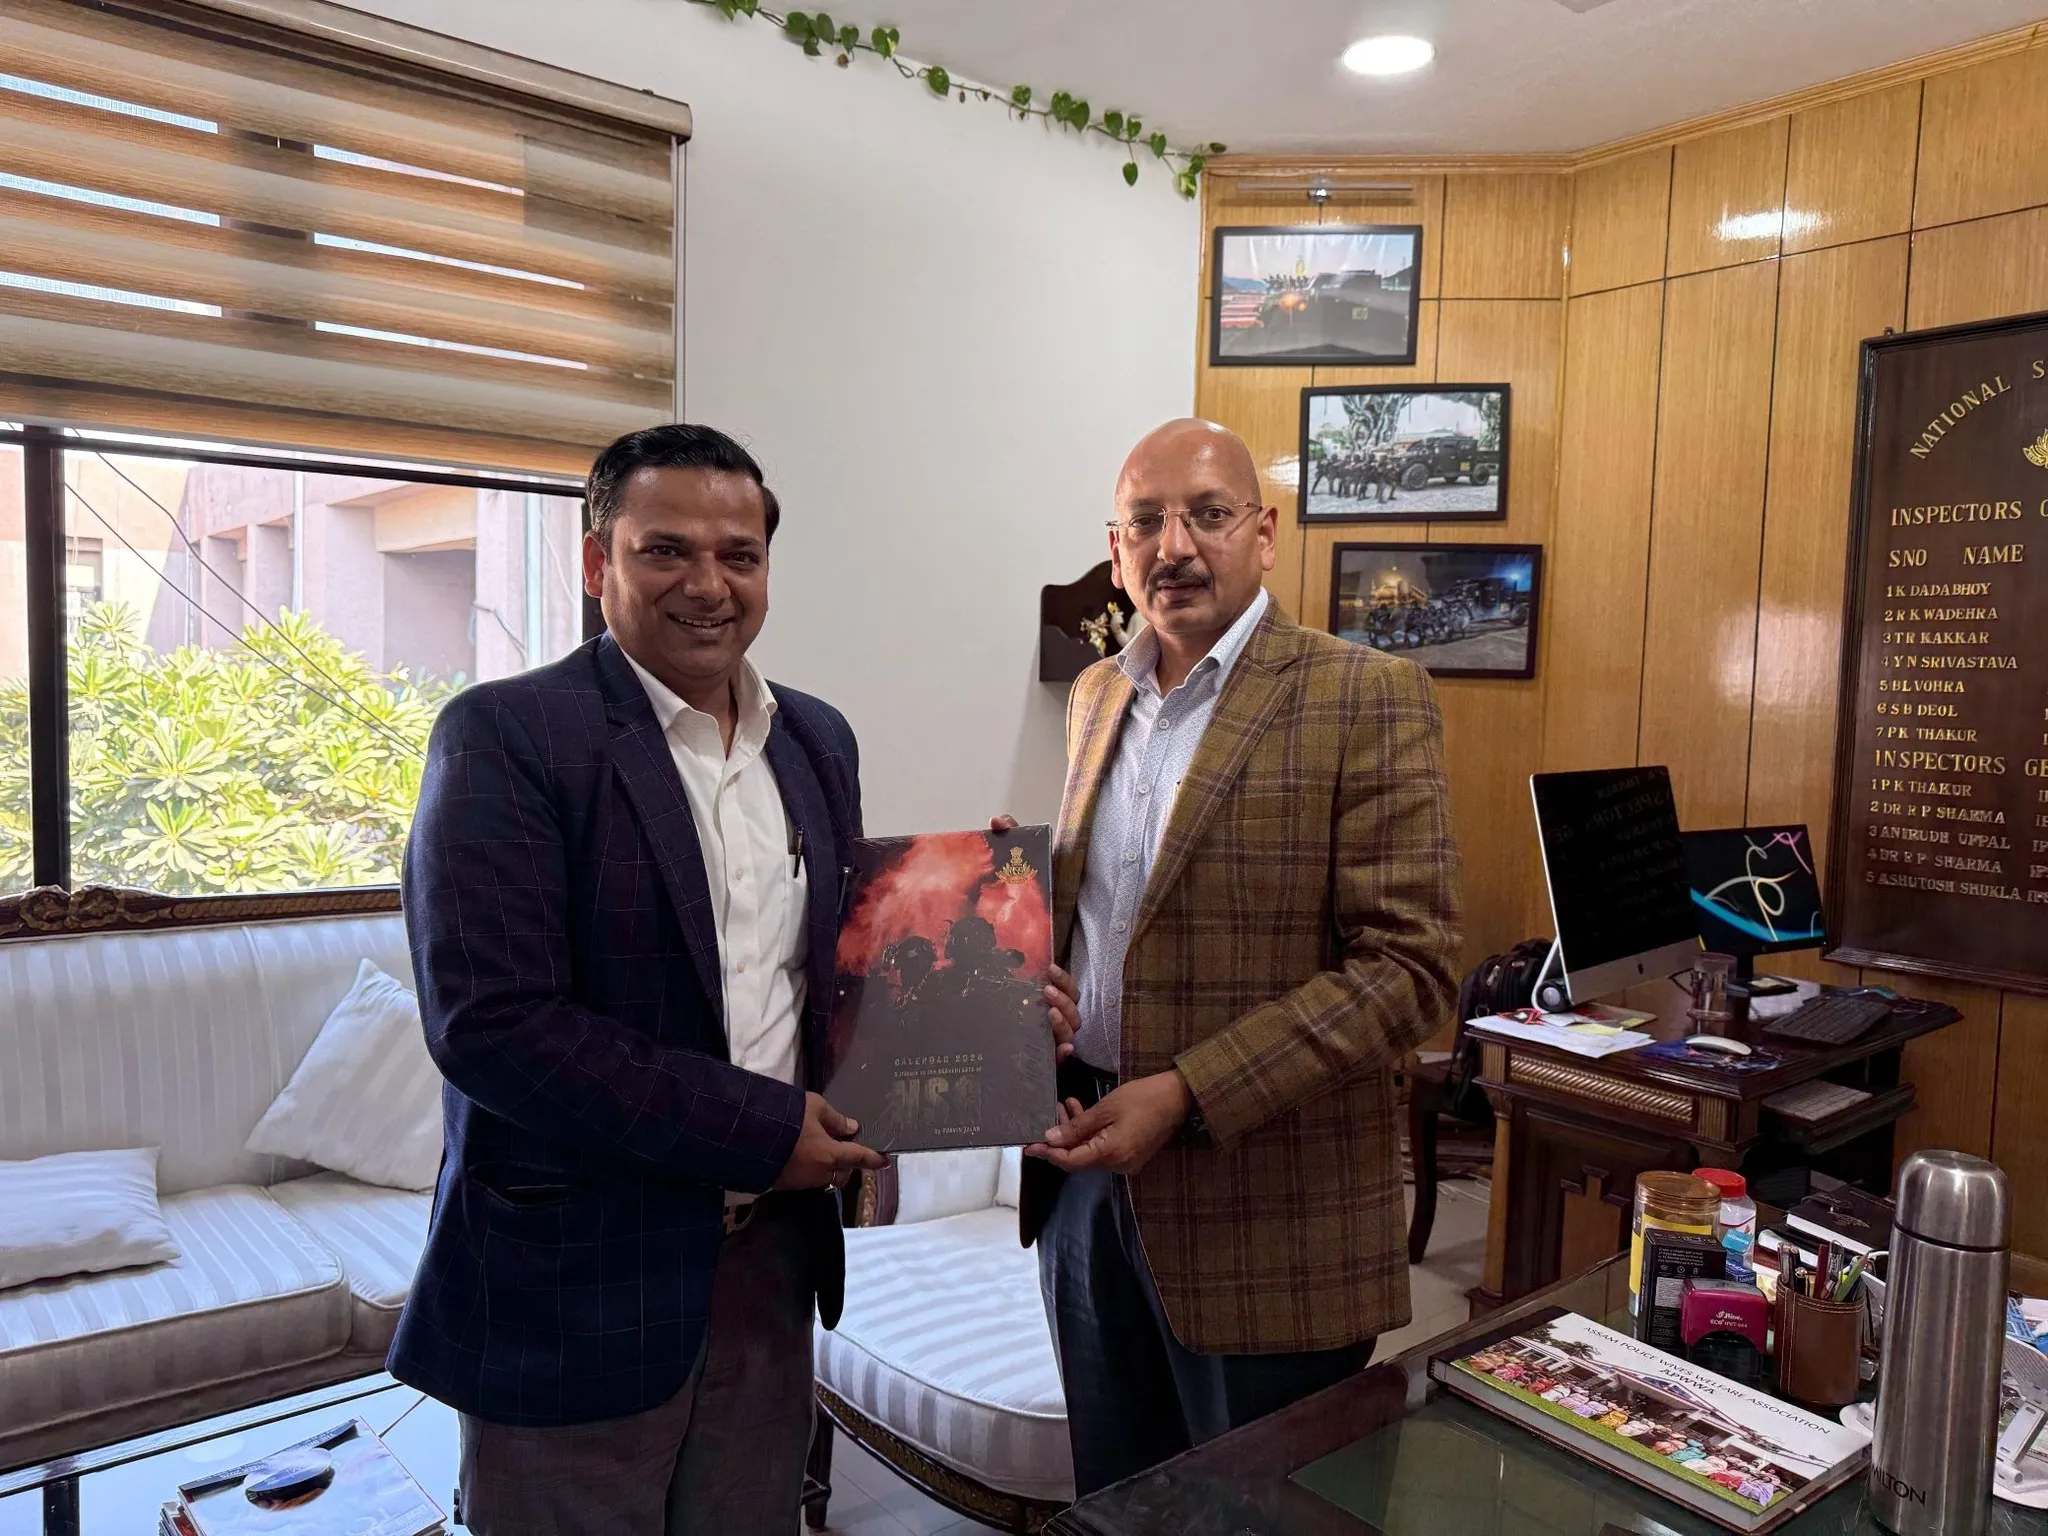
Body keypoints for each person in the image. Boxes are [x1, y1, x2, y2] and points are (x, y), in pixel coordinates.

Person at [390, 423, 887, 1535]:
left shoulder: (817, 739)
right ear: (595, 561)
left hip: (768, 1268)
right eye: (666, 550)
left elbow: (836, 972)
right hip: (576, 1279)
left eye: (738, 555)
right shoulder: (506, 735)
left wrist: (991, 964)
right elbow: (492, 1024)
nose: (708, 585)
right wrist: (761, 1129)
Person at [1019, 417, 1461, 1497]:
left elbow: (1408, 971)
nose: (1174, 546)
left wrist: (1186, 1092)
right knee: (1116, 1505)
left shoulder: (1364, 695)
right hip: (1085, 1191)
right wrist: (1021, 951)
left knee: (1260, 1519)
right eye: (1144, 523)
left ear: (1263, 534)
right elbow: (1111, 920)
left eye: (1207, 515)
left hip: (1271, 1219)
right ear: (1114, 550)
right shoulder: (1097, 694)